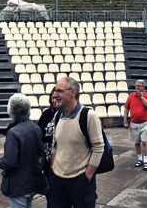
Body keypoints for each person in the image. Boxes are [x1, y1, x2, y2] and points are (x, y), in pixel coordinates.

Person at [43, 77, 102, 208]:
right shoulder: (57, 116)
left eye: (59, 91)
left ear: (72, 93)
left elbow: (98, 148)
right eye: (54, 91)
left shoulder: (88, 116)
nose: (55, 95)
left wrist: (87, 176)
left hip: (80, 181)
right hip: (57, 180)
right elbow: (55, 145)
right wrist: (53, 169)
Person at [0, 94, 44, 208]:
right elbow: (40, 154)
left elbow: (9, 162)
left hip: (18, 184)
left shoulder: (13, 133)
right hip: (32, 181)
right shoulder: (36, 128)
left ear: (11, 110)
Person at [127, 80, 147, 170]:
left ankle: (145, 161)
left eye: (139, 86)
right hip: (134, 123)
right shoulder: (131, 96)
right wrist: (124, 120)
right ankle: (139, 159)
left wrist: (142, 97)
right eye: (136, 86)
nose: (137, 87)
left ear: (143, 87)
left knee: (144, 142)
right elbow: (126, 108)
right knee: (136, 142)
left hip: (145, 123)